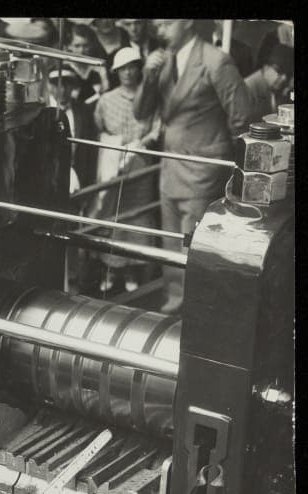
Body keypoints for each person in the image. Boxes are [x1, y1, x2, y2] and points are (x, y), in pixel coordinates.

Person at [134, 18, 251, 313]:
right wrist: (147, 77)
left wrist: (229, 164)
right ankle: (174, 307)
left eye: (166, 23)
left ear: (187, 22)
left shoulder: (216, 61)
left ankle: (195, 314)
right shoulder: (163, 62)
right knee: (171, 243)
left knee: (193, 246)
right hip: (171, 167)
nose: (160, 31)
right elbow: (141, 113)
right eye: (158, 25)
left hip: (203, 169)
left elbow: (242, 116)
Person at [91, 47, 161, 294]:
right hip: (113, 164)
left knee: (136, 215)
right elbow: (98, 128)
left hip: (141, 162)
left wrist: (142, 143)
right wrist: (115, 146)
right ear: (116, 72)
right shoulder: (106, 100)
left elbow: (157, 127)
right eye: (123, 69)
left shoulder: (151, 99)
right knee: (113, 214)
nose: (128, 73)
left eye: (132, 67)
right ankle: (111, 268)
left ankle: (131, 269)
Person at [50, 69, 99, 194]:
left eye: (67, 84)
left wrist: (90, 181)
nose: (62, 90)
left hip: (78, 180)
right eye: (57, 85)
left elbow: (91, 150)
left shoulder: (83, 111)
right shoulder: (40, 110)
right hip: (49, 179)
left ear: (73, 86)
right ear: (50, 86)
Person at [242, 43, 293, 123]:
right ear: (266, 67)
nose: (284, 78)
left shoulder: (276, 90)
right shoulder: (248, 88)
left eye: (288, 74)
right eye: (279, 71)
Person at [64, 24, 109, 104]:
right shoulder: (64, 68)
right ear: (69, 46)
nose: (81, 51)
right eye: (77, 46)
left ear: (91, 45)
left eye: (86, 46)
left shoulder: (99, 68)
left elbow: (105, 94)